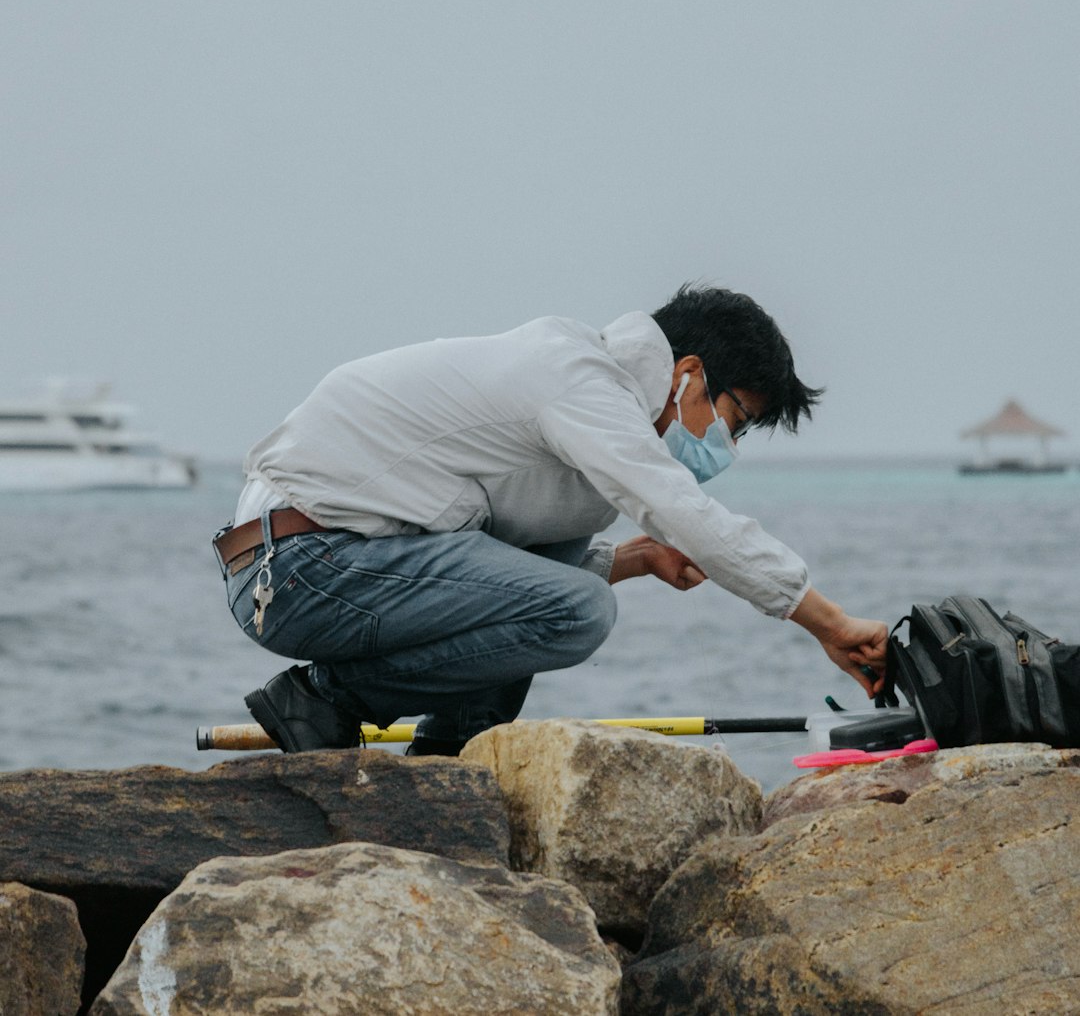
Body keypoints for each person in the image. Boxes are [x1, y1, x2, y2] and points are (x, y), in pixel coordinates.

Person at [215, 285, 887, 754]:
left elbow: (502, 562)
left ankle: (451, 749)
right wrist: (828, 622)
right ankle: (322, 701)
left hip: (319, 563)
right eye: (733, 419)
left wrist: (636, 559)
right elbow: (684, 512)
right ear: (686, 374)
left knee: (564, 572)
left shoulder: (588, 403)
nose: (727, 448)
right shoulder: (577, 380)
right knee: (580, 612)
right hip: (299, 567)